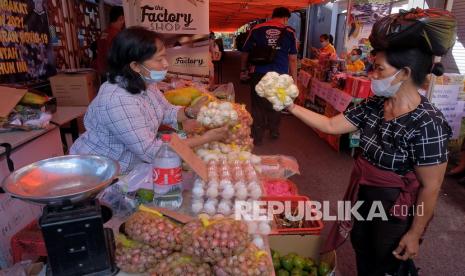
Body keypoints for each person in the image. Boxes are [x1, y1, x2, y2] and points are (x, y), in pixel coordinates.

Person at [287, 46, 450, 275]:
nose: (371, 74)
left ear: (404, 73)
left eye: (379, 69)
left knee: (388, 259)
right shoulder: (375, 103)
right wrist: (291, 107)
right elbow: (332, 125)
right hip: (364, 191)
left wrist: (414, 233)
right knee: (362, 246)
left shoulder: (427, 122)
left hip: (394, 205)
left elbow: (431, 186)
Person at [70, 27, 228, 174]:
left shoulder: (146, 83)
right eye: (159, 60)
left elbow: (166, 111)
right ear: (135, 66)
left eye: (164, 57)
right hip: (100, 171)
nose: (166, 64)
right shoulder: (118, 100)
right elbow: (152, 151)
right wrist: (206, 138)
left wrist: (191, 111)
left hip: (129, 164)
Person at [241, 7, 298, 145]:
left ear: (272, 15)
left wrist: (243, 69)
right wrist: (294, 80)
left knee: (257, 105)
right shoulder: (289, 32)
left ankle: (258, 136)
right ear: (285, 18)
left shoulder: (256, 29)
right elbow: (293, 59)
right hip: (280, 75)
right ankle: (274, 130)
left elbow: (245, 51)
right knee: (276, 103)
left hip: (259, 72)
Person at [94, 6, 125, 79]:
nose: (124, 22)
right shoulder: (117, 34)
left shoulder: (104, 33)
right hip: (113, 72)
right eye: (123, 18)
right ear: (121, 17)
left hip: (103, 70)